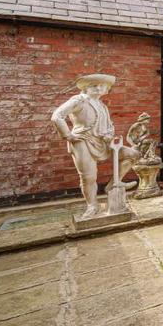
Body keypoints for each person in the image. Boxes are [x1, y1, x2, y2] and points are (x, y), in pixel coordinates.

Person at [51, 74, 139, 219]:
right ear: (86, 88)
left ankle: (113, 184)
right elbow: (57, 116)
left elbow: (108, 126)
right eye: (94, 86)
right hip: (82, 142)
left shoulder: (102, 105)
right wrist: (68, 135)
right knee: (88, 177)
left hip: (103, 143)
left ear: (106, 89)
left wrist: (109, 135)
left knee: (133, 155)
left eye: (102, 86)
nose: (98, 89)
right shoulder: (79, 101)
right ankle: (92, 206)